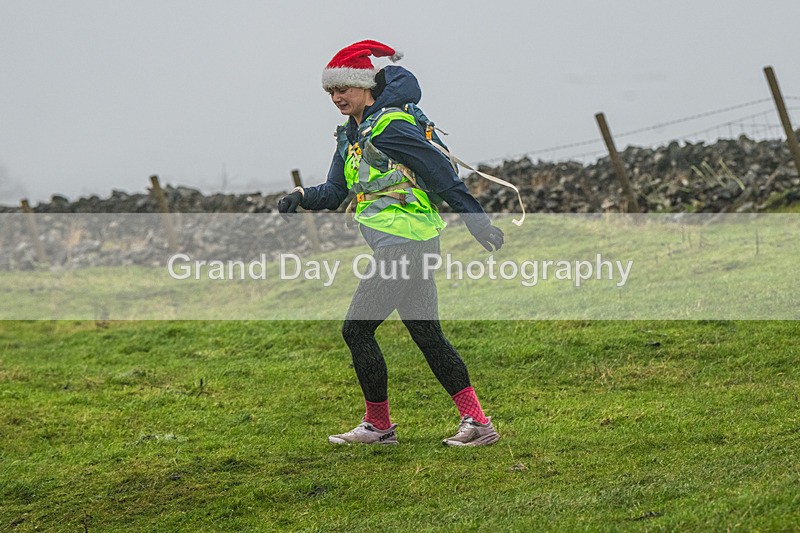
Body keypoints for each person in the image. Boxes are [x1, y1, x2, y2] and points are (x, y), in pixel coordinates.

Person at [278, 40, 504, 446]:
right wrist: (300, 196)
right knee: (426, 334)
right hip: (405, 243)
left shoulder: (389, 126)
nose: (337, 97)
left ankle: (379, 427)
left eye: (344, 88)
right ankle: (478, 424)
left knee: (356, 330)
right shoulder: (351, 133)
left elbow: (440, 174)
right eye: (331, 91)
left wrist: (478, 222)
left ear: (366, 85)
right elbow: (334, 191)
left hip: (405, 243)